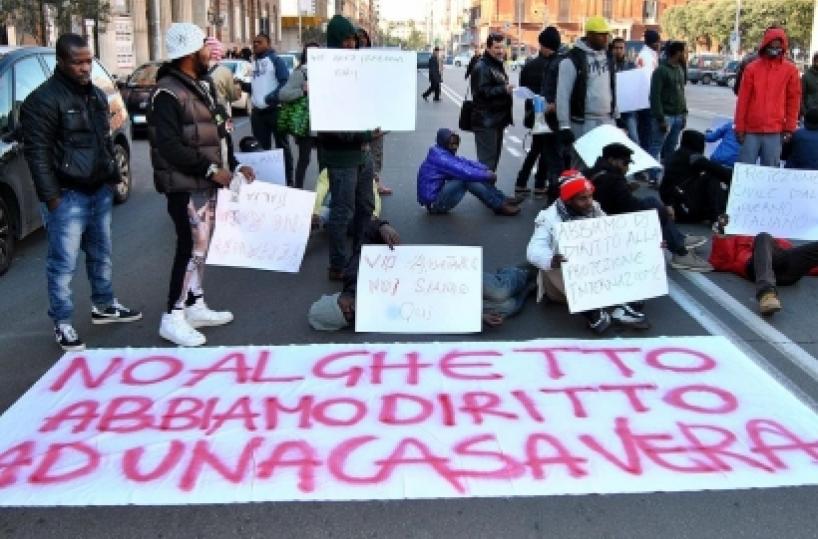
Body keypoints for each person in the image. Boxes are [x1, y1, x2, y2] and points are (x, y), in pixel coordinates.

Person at [20, 33, 141, 351]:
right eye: (78, 62)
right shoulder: (42, 100)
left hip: (98, 190)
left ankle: (104, 304)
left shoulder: (97, 96)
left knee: (101, 255)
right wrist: (53, 198)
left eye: (89, 60)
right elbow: (38, 154)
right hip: (67, 195)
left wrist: (111, 177)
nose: (86, 67)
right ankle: (62, 323)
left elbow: (104, 141)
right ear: (61, 62)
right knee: (62, 265)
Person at [147, 23, 255, 347]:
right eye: (207, 48)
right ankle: (173, 316)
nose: (212, 53)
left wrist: (234, 166)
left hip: (204, 183)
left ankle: (195, 304)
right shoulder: (167, 92)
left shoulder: (202, 86)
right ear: (191, 53)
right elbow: (169, 145)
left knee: (201, 247)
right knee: (189, 247)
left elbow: (219, 134)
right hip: (184, 186)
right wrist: (211, 170)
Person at [308, 220, 537, 330]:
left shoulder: (355, 274)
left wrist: (382, 227)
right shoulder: (380, 317)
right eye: (347, 317)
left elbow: (367, 230)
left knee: (499, 291)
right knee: (504, 308)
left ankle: (526, 269)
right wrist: (475, 316)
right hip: (445, 296)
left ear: (337, 297)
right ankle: (535, 284)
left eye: (343, 306)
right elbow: (429, 312)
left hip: (447, 274)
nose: (350, 311)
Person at [526, 170, 650, 334]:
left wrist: (648, 244)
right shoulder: (548, 218)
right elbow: (534, 249)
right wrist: (551, 259)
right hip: (563, 279)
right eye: (582, 198)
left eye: (590, 196)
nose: (589, 202)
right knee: (558, 266)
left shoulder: (594, 208)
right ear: (568, 200)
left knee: (629, 253)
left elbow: (614, 234)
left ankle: (620, 310)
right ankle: (594, 312)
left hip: (594, 270)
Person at [588, 143, 713, 271]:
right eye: (625, 163)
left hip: (604, 214)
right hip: (609, 222)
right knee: (653, 206)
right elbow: (629, 206)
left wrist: (627, 189)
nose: (627, 168)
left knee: (653, 206)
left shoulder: (595, 171)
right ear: (612, 160)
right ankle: (680, 250)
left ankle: (679, 241)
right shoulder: (612, 178)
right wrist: (661, 211)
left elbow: (612, 199)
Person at [318, 15, 377, 281]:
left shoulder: (359, 69)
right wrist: (365, 133)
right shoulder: (325, 74)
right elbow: (333, 126)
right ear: (335, 41)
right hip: (341, 156)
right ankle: (338, 264)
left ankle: (360, 255)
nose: (351, 44)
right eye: (346, 39)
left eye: (354, 39)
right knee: (343, 211)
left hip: (363, 152)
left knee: (366, 206)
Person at [710, 215, 818, 316]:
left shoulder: (781, 240)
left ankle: (767, 291)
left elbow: (805, 261)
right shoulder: (738, 236)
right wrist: (720, 235)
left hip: (785, 271)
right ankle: (766, 295)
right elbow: (719, 262)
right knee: (763, 236)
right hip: (755, 268)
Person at [735, 27, 801, 167]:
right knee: (746, 169)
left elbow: (793, 100)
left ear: (783, 47)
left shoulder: (790, 70)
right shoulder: (752, 68)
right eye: (772, 45)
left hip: (775, 130)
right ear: (765, 45)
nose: (775, 49)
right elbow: (743, 100)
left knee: (770, 172)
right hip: (751, 129)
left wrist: (789, 128)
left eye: (778, 46)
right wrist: (739, 127)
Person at [418, 128, 521, 216]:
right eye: (451, 144)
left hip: (438, 197)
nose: (455, 147)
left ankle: (502, 199)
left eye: (456, 143)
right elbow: (466, 172)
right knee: (467, 179)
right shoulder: (441, 158)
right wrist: (488, 176)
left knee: (476, 175)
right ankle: (498, 206)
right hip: (435, 204)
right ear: (444, 143)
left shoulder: (441, 152)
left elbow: (464, 162)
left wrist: (484, 169)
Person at [556, 16, 616, 147]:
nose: (606, 38)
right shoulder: (572, 60)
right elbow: (562, 95)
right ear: (589, 35)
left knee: (607, 164)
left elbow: (611, 88)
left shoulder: (609, 58)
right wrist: (564, 126)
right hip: (583, 122)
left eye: (607, 34)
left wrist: (616, 115)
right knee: (583, 164)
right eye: (601, 35)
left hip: (607, 120)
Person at [514, 27, 559, 198]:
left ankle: (522, 182)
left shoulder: (529, 65)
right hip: (548, 114)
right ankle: (539, 184)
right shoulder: (554, 65)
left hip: (533, 114)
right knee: (545, 150)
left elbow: (523, 87)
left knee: (536, 148)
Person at [245, 33, 294, 185]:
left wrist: (271, 98)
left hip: (275, 111)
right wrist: (242, 85)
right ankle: (265, 181)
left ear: (269, 43)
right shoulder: (253, 62)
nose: (256, 44)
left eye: (259, 42)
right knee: (260, 149)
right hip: (258, 114)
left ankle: (288, 180)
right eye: (254, 42)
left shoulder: (276, 60)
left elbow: (285, 82)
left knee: (282, 147)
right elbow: (256, 87)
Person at [661, 130, 732, 223]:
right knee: (712, 177)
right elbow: (722, 172)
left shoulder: (677, 154)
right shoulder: (694, 158)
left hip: (672, 204)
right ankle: (716, 216)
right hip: (684, 208)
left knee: (709, 174)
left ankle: (714, 214)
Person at [470, 33, 514, 172]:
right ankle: (485, 192)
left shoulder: (495, 64)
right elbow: (482, 92)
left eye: (502, 47)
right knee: (486, 164)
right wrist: (504, 89)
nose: (500, 51)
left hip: (496, 120)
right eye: (496, 47)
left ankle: (489, 192)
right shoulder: (482, 66)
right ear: (488, 48)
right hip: (486, 121)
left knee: (492, 163)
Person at [278, 41, 319, 189]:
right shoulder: (300, 72)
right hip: (306, 124)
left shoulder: (327, 71)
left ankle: (324, 196)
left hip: (324, 124)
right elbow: (283, 94)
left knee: (325, 162)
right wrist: (303, 91)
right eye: (311, 53)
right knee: (304, 160)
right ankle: (298, 191)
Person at [356, 28, 392, 196]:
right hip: (358, 115)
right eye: (358, 39)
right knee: (360, 151)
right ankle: (362, 184)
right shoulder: (347, 61)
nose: (362, 42)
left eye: (364, 39)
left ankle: (376, 182)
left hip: (376, 113)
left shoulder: (376, 60)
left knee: (376, 151)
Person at [648, 40, 688, 187]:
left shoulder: (679, 69)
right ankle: (653, 176)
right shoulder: (661, 71)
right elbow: (654, 96)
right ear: (677, 53)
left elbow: (681, 93)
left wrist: (684, 113)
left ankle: (668, 176)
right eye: (684, 52)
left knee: (671, 148)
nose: (685, 55)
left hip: (678, 116)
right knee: (656, 146)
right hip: (665, 116)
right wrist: (660, 118)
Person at [635, 29, 661, 153]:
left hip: (645, 99)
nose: (659, 45)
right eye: (658, 42)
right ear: (654, 42)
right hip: (646, 100)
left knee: (646, 132)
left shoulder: (649, 54)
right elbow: (650, 80)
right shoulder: (647, 56)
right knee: (646, 134)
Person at [610, 37, 639, 144]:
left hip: (628, 110)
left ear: (625, 49)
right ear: (612, 49)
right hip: (611, 110)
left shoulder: (631, 66)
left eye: (621, 48)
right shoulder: (606, 66)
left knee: (634, 139)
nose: (618, 50)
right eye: (616, 48)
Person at [205, 36, 241, 117]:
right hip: (221, 114)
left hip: (202, 114)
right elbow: (234, 96)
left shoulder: (195, 69)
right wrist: (237, 85)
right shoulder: (225, 71)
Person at [802, 52, 818, 117]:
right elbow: (801, 96)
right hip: (811, 113)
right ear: (814, 61)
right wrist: (805, 112)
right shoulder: (806, 76)